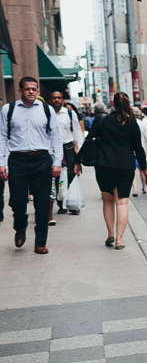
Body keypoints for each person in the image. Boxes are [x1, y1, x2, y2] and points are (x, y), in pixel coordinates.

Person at [0, 77, 62, 254]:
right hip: (17, 160)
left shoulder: (46, 109)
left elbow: (56, 137)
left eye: (34, 89)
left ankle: (40, 242)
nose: (31, 92)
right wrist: (1, 163)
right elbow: (2, 136)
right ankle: (21, 225)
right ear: (20, 91)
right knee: (17, 201)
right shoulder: (8, 109)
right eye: (27, 89)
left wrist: (57, 162)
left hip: (41, 159)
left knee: (42, 203)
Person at [85, 92, 147, 250]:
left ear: (113, 104)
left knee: (108, 200)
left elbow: (89, 139)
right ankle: (119, 240)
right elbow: (138, 148)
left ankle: (110, 234)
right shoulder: (132, 122)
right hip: (125, 165)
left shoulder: (103, 120)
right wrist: (144, 168)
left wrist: (80, 160)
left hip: (104, 165)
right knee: (122, 202)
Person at [49, 91, 85, 215]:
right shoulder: (47, 113)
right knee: (55, 176)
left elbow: (78, 134)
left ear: (63, 100)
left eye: (59, 98)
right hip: (52, 148)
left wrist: (80, 156)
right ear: (50, 100)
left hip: (68, 148)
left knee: (71, 175)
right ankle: (61, 204)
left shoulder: (70, 113)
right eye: (54, 98)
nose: (56, 100)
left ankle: (72, 204)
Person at [133, 107, 147, 195]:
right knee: (142, 169)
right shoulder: (143, 125)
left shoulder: (128, 124)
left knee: (133, 171)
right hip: (141, 150)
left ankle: (135, 189)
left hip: (131, 151)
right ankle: (144, 187)